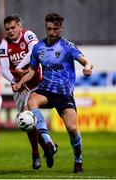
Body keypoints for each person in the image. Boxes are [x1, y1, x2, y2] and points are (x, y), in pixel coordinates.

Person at [14, 13, 93, 173]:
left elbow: (86, 61)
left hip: (64, 94)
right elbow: (31, 71)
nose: (52, 32)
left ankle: (78, 160)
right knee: (31, 101)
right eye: (49, 29)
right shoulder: (38, 48)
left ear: (60, 28)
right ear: (46, 28)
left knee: (72, 129)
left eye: (55, 29)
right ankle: (48, 142)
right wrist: (20, 82)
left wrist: (87, 67)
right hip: (46, 89)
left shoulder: (67, 47)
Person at [0, 14, 57, 169]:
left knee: (28, 115)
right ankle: (43, 149)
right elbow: (4, 69)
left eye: (12, 27)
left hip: (37, 82)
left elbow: (34, 51)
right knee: (27, 123)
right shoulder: (4, 44)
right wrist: (16, 81)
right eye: (7, 29)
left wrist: (21, 69)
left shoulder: (28, 35)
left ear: (19, 26)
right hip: (18, 85)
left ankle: (41, 149)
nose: (10, 31)